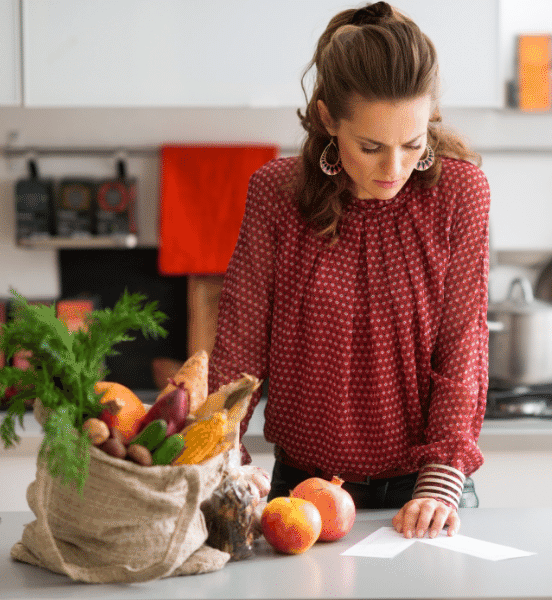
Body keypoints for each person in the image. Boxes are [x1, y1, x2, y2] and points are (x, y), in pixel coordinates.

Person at [207, 1, 490, 539]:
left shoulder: (459, 195)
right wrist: (221, 458)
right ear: (327, 120)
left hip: (426, 490)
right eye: (371, 147)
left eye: (413, 144)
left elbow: (463, 347)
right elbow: (238, 349)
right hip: (302, 491)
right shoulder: (276, 194)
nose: (394, 169)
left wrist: (438, 484)